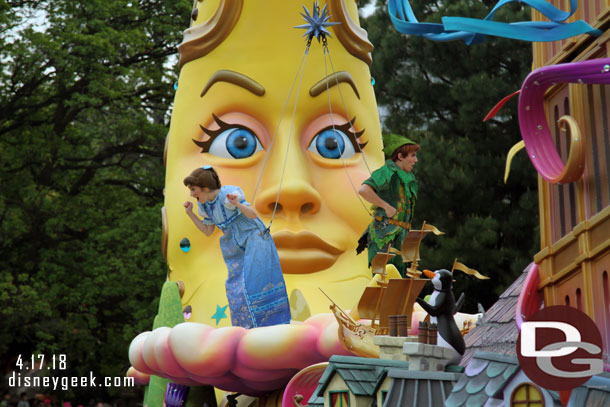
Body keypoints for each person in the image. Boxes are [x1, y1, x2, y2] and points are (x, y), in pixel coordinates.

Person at [183, 166, 291, 328]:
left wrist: (237, 203)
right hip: (234, 245)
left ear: (205, 188)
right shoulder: (205, 206)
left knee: (254, 281)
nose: (191, 194)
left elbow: (252, 215)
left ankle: (270, 324)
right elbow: (207, 231)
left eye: (193, 190)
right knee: (234, 286)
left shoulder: (227, 195)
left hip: (253, 237)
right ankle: (245, 327)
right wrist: (190, 214)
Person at [357, 134, 419, 277]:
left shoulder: (406, 177)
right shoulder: (386, 171)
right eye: (413, 155)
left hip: (401, 236)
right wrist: (385, 206)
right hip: (384, 233)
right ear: (400, 156)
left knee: (399, 279)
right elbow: (364, 190)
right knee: (383, 279)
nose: (416, 160)